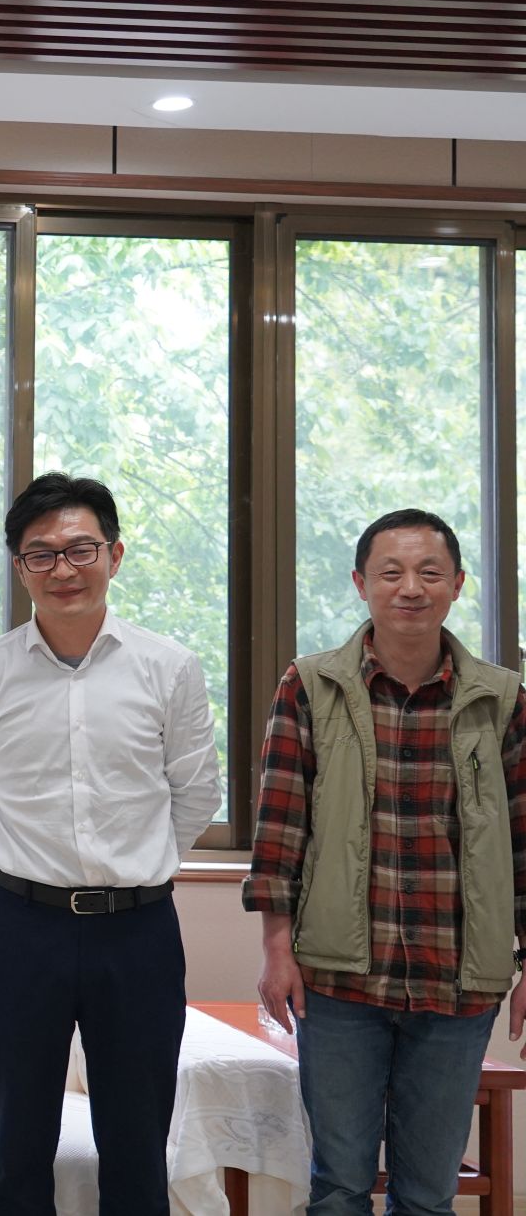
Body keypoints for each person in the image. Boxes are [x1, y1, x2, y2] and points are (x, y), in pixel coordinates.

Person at [0, 471, 221, 1216]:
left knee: (137, 1146)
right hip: (20, 927)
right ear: (19, 567)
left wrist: (136, 867)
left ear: (114, 554)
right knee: (15, 1144)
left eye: (80, 549)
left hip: (138, 930)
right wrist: (30, 869)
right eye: (41, 554)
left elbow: (197, 794)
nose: (63, 568)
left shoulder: (169, 667)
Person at [245, 508, 526, 1216]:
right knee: (339, 1185)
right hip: (339, 980)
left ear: (457, 584)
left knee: (428, 1194)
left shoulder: (502, 700)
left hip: (457, 982)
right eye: (391, 572)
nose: (411, 588)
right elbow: (279, 830)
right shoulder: (310, 685)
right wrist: (276, 950)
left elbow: (524, 841)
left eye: (430, 572)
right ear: (360, 583)